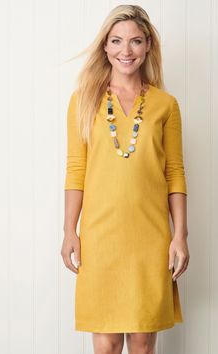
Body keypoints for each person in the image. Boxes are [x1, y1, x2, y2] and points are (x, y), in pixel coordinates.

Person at [61, 4, 190, 354]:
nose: (125, 51)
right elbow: (76, 169)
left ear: (147, 45)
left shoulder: (166, 105)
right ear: (105, 46)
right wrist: (69, 230)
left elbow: (174, 173)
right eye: (116, 41)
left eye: (135, 41)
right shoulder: (83, 101)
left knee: (144, 343)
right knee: (105, 344)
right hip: (101, 236)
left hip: (149, 237)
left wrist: (180, 235)